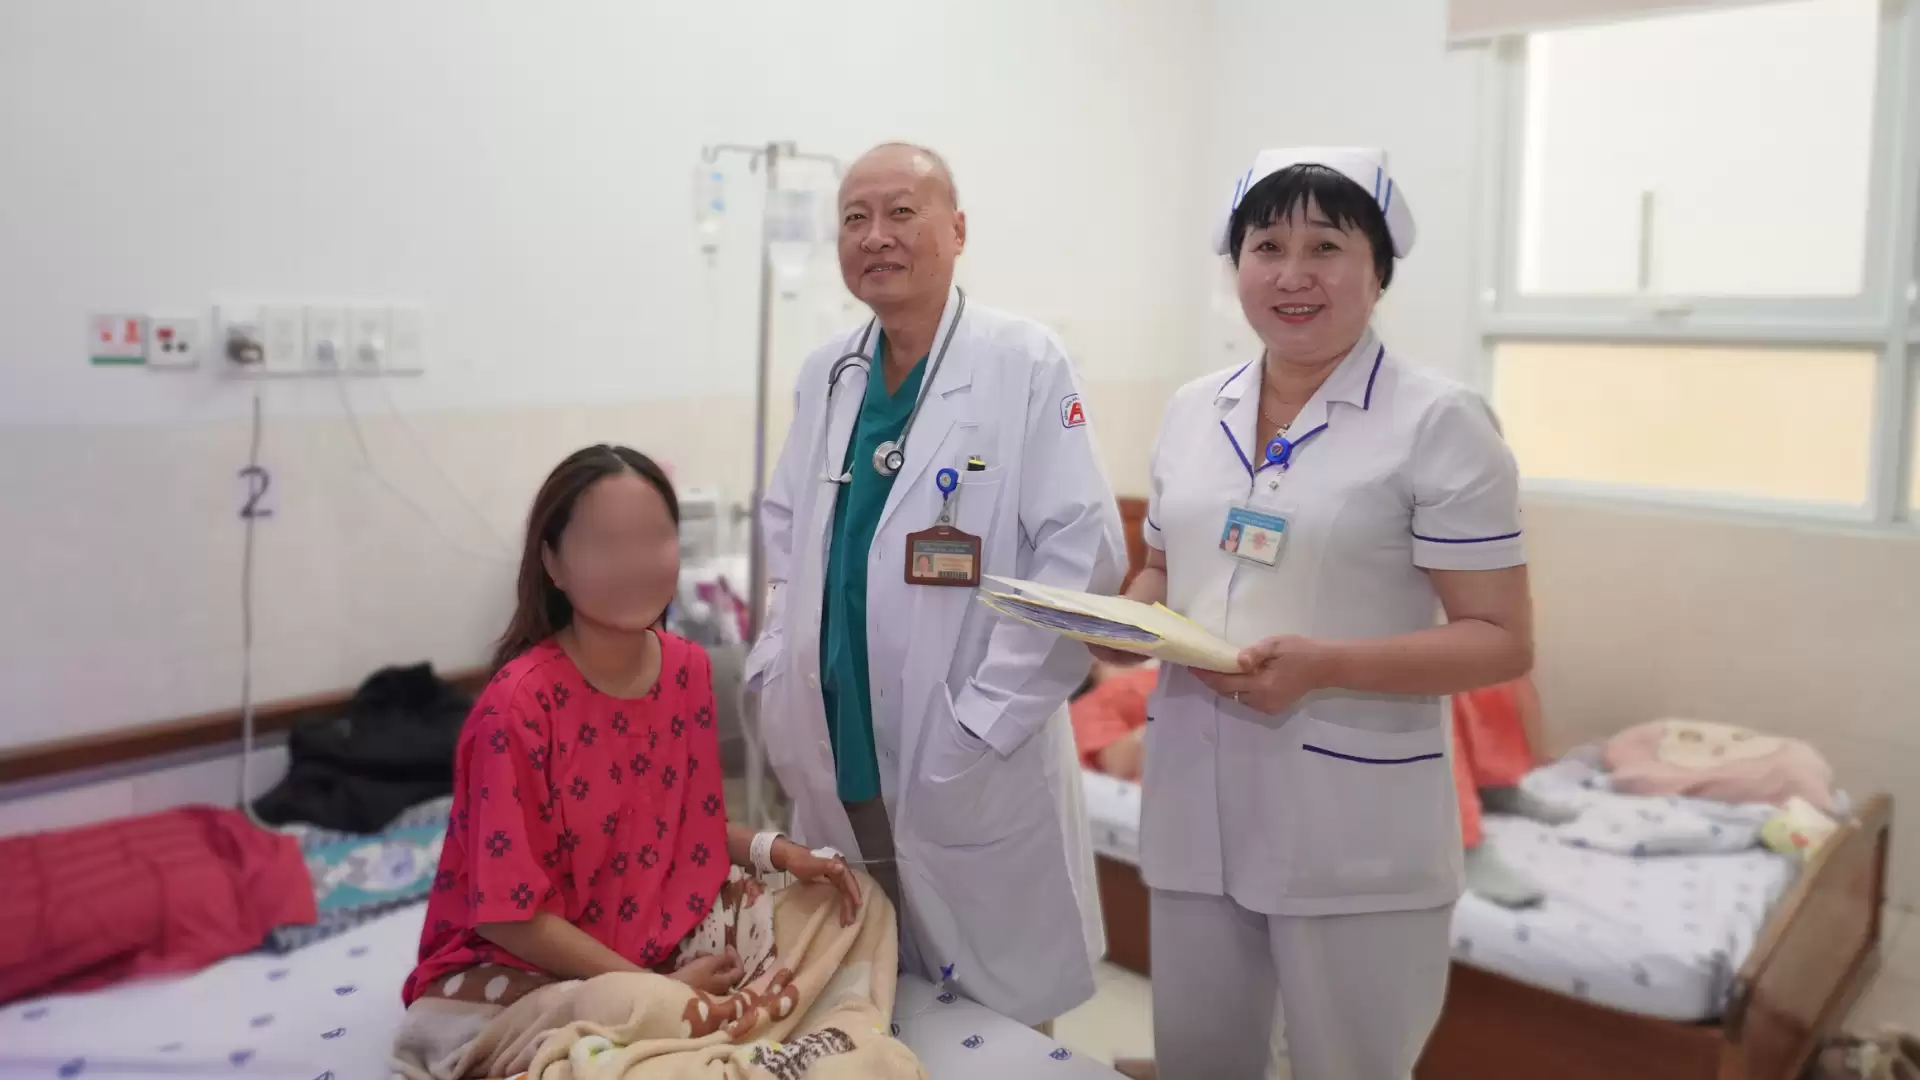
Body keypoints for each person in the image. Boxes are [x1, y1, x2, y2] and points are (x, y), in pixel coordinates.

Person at [1093, 148, 1533, 1080]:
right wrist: (1123, 627)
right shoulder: (1192, 411)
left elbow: (1501, 640)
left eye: (1326, 247)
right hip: (1194, 805)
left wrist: (1325, 666)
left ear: (1378, 272)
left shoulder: (1438, 421)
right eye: (1267, 247)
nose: (1292, 274)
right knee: (1202, 1063)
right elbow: (1162, 570)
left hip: (1352, 827)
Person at [750, 142, 1126, 1027]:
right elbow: (785, 533)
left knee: (1000, 1027)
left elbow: (1083, 552)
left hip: (966, 745)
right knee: (865, 1002)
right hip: (837, 739)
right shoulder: (829, 373)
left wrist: (982, 720)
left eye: (901, 212)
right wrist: (775, 666)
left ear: (956, 230)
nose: (875, 236)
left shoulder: (1022, 361)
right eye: (854, 218)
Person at [393, 446, 894, 1079]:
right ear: (552, 563)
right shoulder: (516, 709)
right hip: (531, 974)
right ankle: (708, 1032)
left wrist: (782, 853)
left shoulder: (687, 668)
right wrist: (654, 988)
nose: (633, 564)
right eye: (605, 544)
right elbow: (506, 916)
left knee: (854, 899)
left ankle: (708, 1030)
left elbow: (683, 829)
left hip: (665, 936)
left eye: (652, 538)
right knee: (623, 1016)